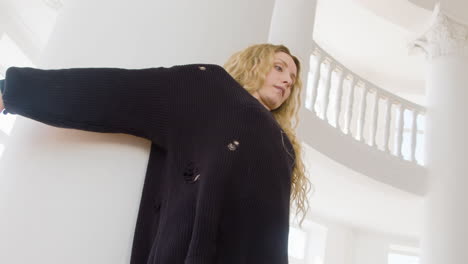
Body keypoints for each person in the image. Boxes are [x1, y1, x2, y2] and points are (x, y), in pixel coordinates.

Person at [0, 43, 311, 264]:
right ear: (254, 63)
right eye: (279, 67)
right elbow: (116, 91)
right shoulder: (209, 87)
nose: (286, 80)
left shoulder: (285, 147)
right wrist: (11, 90)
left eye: (292, 79)